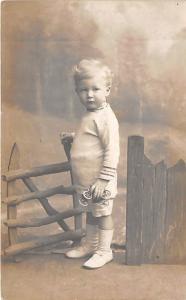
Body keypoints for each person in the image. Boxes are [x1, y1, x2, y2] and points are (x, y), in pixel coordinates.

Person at [61, 59, 120, 269]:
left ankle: (105, 251)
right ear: (77, 92)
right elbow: (90, 138)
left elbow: (112, 150)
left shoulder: (106, 118)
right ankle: (90, 244)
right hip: (86, 180)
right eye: (83, 90)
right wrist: (75, 138)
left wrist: (104, 180)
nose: (90, 94)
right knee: (92, 212)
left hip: (100, 180)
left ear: (108, 90)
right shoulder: (91, 114)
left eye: (95, 89)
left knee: (103, 213)